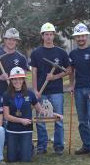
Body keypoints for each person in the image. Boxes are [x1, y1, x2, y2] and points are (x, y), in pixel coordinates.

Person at [30, 22, 71, 155]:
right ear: (42, 36)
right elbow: (34, 72)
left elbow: (69, 70)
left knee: (58, 119)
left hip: (57, 91)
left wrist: (55, 77)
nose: (48, 37)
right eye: (46, 34)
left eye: (50, 34)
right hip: (41, 92)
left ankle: (58, 146)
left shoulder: (61, 52)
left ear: (54, 36)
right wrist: (35, 90)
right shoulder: (36, 53)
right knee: (41, 119)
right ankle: (42, 146)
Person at [69, 23, 90, 158]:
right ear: (76, 38)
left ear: (86, 36)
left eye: (82, 36)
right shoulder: (73, 53)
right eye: (78, 36)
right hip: (78, 90)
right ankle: (86, 145)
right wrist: (71, 85)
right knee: (82, 121)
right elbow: (71, 71)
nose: (80, 38)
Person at [3, 67, 42, 162]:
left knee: (25, 160)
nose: (17, 81)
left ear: (23, 80)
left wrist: (55, 114)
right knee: (11, 159)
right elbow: (6, 116)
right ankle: (24, 147)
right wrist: (21, 120)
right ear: (11, 80)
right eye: (15, 79)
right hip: (12, 130)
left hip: (26, 130)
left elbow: (41, 110)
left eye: (20, 79)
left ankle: (29, 147)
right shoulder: (6, 95)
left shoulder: (30, 93)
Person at [0, 28, 29, 101]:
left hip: (16, 94)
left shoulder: (21, 58)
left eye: (14, 40)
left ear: (17, 42)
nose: (11, 42)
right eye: (9, 39)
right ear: (5, 40)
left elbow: (23, 77)